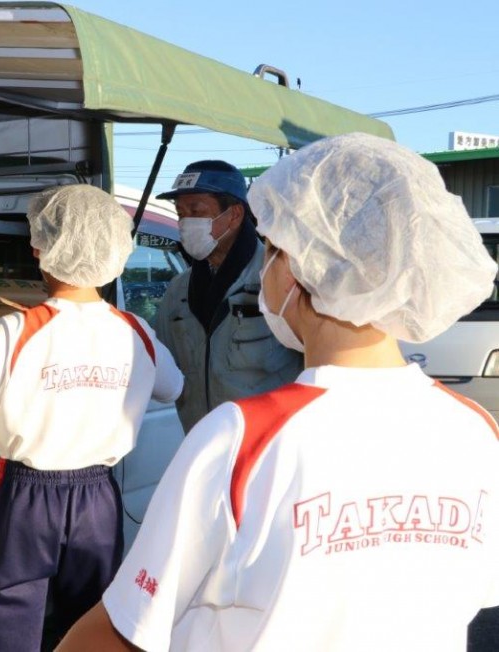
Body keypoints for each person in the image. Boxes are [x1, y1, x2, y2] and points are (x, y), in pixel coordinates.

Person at [57, 132, 499, 651]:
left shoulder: (241, 439)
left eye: (270, 249)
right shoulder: (475, 429)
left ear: (295, 266)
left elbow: (121, 633)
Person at [0, 184, 184, 651]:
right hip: (98, 499)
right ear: (113, 252)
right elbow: (173, 387)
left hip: (27, 500)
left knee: (10, 628)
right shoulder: (136, 332)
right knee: (89, 627)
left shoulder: (18, 329)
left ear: (41, 250)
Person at [153, 160, 301, 432]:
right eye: (180, 213)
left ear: (234, 215)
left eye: (196, 211)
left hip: (268, 452)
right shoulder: (178, 291)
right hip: (206, 452)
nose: (186, 222)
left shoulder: (279, 279)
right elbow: (159, 365)